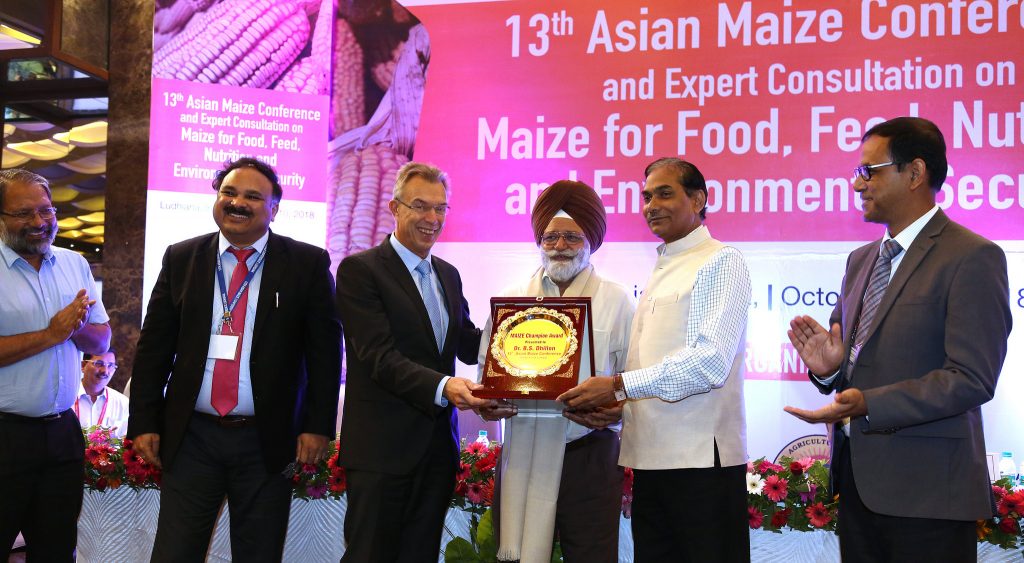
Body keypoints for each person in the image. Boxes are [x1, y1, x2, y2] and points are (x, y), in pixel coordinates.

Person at [785, 117, 1012, 562]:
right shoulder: (861, 260)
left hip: (930, 494)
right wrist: (830, 371)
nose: (857, 184)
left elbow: (971, 378)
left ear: (915, 172)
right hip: (859, 488)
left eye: (870, 171)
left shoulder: (973, 257)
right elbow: (849, 364)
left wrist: (871, 402)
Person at [127, 157, 342, 562]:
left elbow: (325, 356)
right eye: (229, 192)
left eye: (252, 196)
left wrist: (317, 427)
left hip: (267, 439)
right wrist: (144, 421)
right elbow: (153, 348)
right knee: (174, 552)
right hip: (192, 437)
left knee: (258, 553)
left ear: (274, 208)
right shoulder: (181, 258)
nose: (237, 202)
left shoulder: (307, 264)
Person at [559, 158, 752, 563]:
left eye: (665, 193)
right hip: (651, 462)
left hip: (701, 467)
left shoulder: (720, 261)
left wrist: (617, 386)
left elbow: (709, 364)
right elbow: (658, 369)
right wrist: (617, 409)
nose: (650, 205)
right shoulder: (665, 265)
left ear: (698, 199)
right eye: (646, 196)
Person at [336, 162, 495, 562]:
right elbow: (379, 356)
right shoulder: (361, 270)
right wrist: (444, 387)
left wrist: (522, 338)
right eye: (421, 206)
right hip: (381, 452)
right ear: (395, 208)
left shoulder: (448, 274)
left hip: (435, 451)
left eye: (441, 209)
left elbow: (464, 342)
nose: (432, 218)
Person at [476, 180, 634, 562]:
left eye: (571, 237)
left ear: (591, 241)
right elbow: (487, 375)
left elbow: (635, 378)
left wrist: (619, 408)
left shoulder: (617, 300)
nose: (560, 246)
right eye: (550, 237)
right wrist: (487, 403)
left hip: (589, 453)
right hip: (522, 451)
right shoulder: (513, 300)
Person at [0, 168, 111, 562]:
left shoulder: (73, 263)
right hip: (5, 433)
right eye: (23, 213)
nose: (39, 222)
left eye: (46, 210)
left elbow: (102, 339)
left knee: (56, 551)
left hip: (62, 433)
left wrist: (74, 328)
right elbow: (53, 334)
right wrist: (51, 334)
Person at [76, 349, 130, 437]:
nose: (105, 371)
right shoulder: (66, 399)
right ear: (83, 365)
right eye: (99, 364)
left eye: (111, 365)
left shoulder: (123, 403)